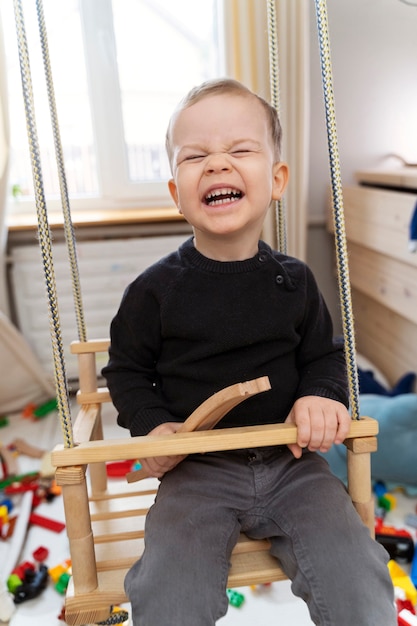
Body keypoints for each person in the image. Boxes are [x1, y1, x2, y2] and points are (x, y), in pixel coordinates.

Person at [103, 78, 396, 626]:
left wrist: (320, 394)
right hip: (197, 471)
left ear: (276, 179)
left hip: (295, 465)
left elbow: (324, 356)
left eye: (239, 151)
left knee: (357, 573)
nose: (217, 165)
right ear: (175, 191)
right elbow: (126, 369)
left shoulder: (296, 280)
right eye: (195, 157)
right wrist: (153, 424)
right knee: (170, 592)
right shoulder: (153, 291)